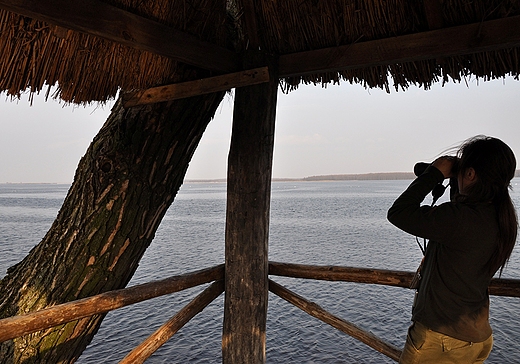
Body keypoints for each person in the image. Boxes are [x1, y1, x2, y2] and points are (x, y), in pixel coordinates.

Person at [387, 135, 518, 364]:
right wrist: (460, 177)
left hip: (440, 341)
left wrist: (435, 174)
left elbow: (399, 213)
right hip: (476, 337)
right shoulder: (502, 218)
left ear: (470, 174)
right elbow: (463, 210)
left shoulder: (459, 219)